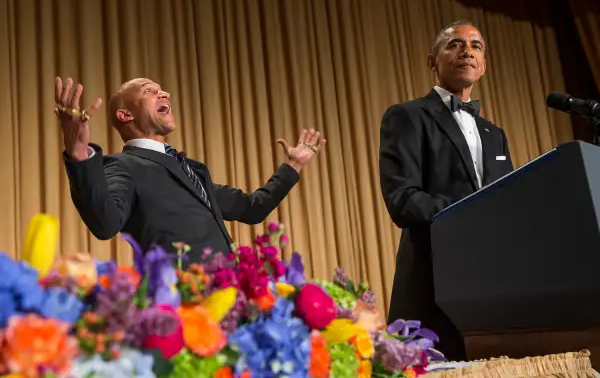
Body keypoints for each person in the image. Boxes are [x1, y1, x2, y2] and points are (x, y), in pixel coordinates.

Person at [55, 76, 326, 262]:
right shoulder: (124, 166)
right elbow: (105, 223)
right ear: (126, 114)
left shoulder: (193, 172)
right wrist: (79, 152)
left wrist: (294, 165)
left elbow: (253, 208)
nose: (164, 93)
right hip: (186, 306)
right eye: (149, 90)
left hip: (231, 303)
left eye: (162, 89)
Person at [379, 21, 514, 361]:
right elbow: (403, 200)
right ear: (432, 61)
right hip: (432, 285)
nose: (467, 50)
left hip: (494, 288)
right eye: (454, 44)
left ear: (484, 65)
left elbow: (509, 202)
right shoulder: (407, 116)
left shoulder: (494, 134)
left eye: (476, 46)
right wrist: (474, 212)